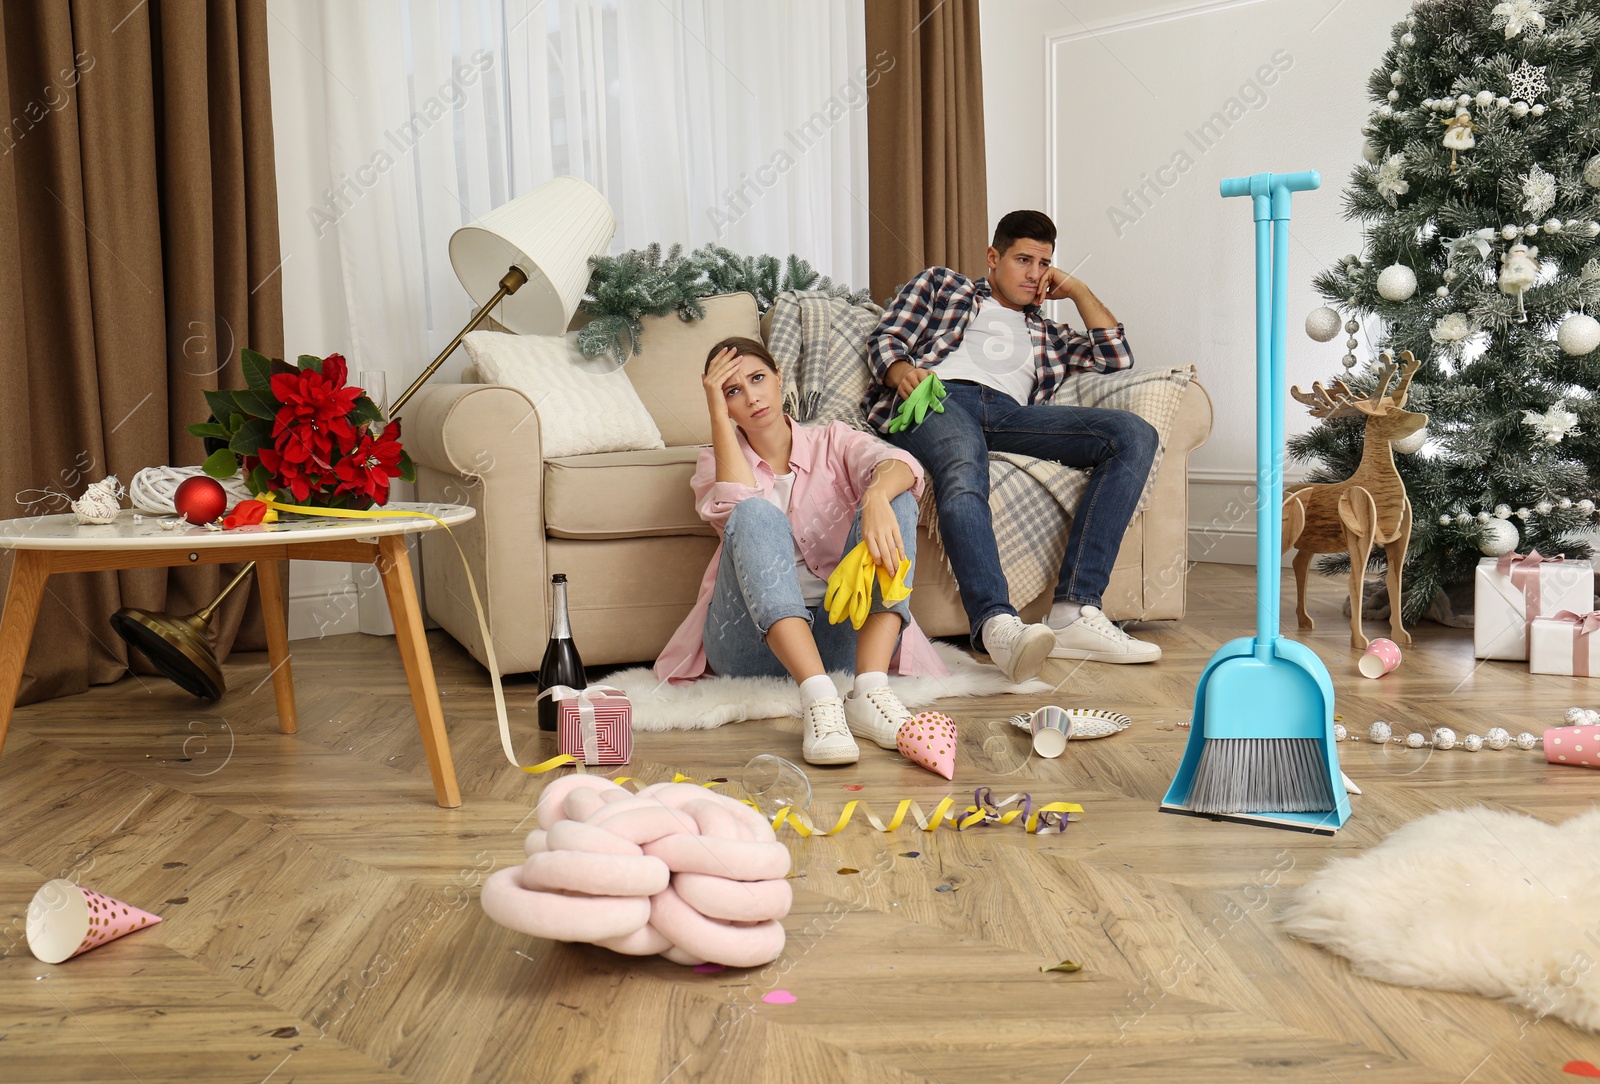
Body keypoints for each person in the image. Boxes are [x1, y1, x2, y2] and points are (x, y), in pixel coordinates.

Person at [862, 209, 1162, 684]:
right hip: (937, 397)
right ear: (993, 257)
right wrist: (903, 375)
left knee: (1134, 434)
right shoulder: (944, 286)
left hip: (1010, 415)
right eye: (1023, 259)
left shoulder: (1048, 333)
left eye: (1044, 264)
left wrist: (1078, 290)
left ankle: (1073, 611)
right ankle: (996, 624)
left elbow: (1116, 356)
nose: (1034, 273)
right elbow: (887, 339)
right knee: (963, 458)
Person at [655, 336, 948, 766]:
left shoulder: (833, 439)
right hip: (749, 644)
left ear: (779, 380)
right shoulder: (712, 462)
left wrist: (876, 497)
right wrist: (716, 411)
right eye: (733, 392)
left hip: (840, 634)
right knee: (755, 512)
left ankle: (869, 689)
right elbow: (738, 505)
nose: (751, 397)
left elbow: (902, 464)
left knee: (896, 496)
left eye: (758, 379)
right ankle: (819, 699)